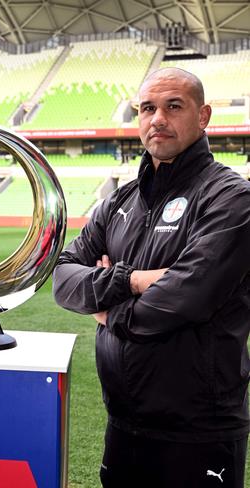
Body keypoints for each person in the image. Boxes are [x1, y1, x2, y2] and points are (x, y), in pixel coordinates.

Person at [53, 67, 250, 488]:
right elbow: (64, 277)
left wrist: (105, 312)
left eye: (173, 106)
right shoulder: (119, 200)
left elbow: (186, 299)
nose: (157, 118)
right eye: (147, 108)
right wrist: (132, 281)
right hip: (123, 423)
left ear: (203, 117)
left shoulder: (230, 197)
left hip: (198, 431)